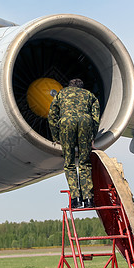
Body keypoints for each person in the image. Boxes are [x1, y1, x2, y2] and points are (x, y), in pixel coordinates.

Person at [48, 78, 100, 208]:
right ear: (81, 87)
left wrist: (56, 137)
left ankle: (75, 199)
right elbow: (95, 118)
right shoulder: (89, 95)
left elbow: (52, 116)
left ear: (69, 86)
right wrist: (92, 136)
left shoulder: (61, 94)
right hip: (85, 123)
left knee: (70, 163)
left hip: (66, 124)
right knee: (84, 162)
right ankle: (88, 199)